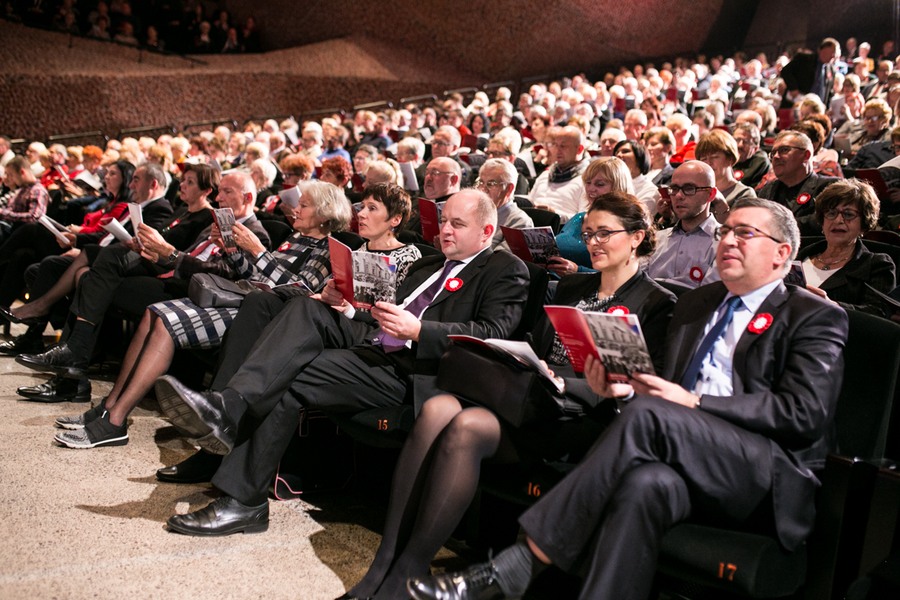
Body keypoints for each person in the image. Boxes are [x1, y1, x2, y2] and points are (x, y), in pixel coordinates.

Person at [408, 198, 849, 600]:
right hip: (678, 456)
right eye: (725, 231)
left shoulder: (814, 316)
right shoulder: (698, 303)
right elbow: (660, 391)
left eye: (746, 233)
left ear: (782, 253)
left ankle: (519, 562)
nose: (729, 239)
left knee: (653, 414)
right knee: (643, 486)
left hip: (762, 473)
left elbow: (803, 414)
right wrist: (619, 391)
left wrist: (693, 405)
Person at [343, 192, 675, 599]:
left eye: (605, 233)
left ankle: (403, 575)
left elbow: (643, 384)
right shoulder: (572, 286)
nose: (593, 242)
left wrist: (566, 381)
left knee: (465, 424)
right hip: (533, 397)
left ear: (637, 237)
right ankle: (388, 562)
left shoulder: (657, 302)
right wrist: (532, 364)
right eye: (588, 233)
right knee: (437, 408)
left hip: (586, 417)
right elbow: (535, 343)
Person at [153, 189, 530, 536]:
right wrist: (346, 307)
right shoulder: (426, 267)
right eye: (444, 220)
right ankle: (228, 409)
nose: (445, 230)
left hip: (415, 369)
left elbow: (492, 332)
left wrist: (420, 331)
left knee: (288, 374)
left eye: (457, 224)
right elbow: (380, 316)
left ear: (486, 231)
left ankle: (240, 492)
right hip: (373, 345)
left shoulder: (504, 269)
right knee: (305, 307)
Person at [52, 183, 409, 449]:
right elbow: (253, 277)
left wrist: (257, 250)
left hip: (259, 313)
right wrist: (236, 251)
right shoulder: (293, 240)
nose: (295, 211)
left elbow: (294, 291)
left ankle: (115, 421)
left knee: (167, 319)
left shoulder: (324, 248)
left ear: (325, 214)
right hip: (245, 299)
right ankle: (109, 408)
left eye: (304, 206)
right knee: (153, 312)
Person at [0, 160, 135, 351]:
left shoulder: (122, 206)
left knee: (32, 229)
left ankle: (32, 332)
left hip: (85, 250)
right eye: (108, 173)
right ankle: (29, 334)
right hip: (81, 244)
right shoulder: (109, 202)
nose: (106, 177)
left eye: (113, 174)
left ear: (125, 179)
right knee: (23, 255)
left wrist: (78, 235)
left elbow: (104, 236)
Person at [797, 179, 895, 317]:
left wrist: (831, 306)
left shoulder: (877, 265)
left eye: (848, 214)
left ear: (864, 223)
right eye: (831, 213)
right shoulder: (800, 253)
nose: (838, 220)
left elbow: (878, 312)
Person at [549, 157, 634, 277]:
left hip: (583, 288)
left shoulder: (623, 225)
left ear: (617, 187)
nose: (591, 189)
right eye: (588, 182)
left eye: (599, 184)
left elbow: (620, 275)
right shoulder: (579, 217)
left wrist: (577, 271)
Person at [648, 161, 721, 288]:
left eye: (689, 189)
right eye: (674, 189)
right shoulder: (657, 239)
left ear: (711, 194)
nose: (678, 195)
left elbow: (710, 298)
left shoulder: (724, 242)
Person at [757, 131, 838, 235]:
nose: (776, 157)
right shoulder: (768, 189)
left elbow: (821, 222)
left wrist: (774, 226)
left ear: (806, 155)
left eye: (784, 150)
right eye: (773, 154)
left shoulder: (830, 187)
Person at [529, 126, 589, 223]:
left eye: (563, 146)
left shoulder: (588, 181)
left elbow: (585, 219)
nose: (557, 150)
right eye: (555, 145)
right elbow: (530, 203)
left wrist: (554, 215)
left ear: (579, 149)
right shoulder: (545, 174)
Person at [695, 129, 757, 223]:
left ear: (730, 159)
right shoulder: (696, 192)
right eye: (704, 159)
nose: (708, 163)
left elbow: (741, 229)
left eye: (715, 157)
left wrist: (721, 204)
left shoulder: (744, 194)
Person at [474, 158, 533, 252]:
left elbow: (499, 261)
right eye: (481, 182)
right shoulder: (472, 212)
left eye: (491, 184)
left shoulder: (519, 222)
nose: (483, 189)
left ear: (509, 189)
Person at [0, 156, 50, 244]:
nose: (10, 178)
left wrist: (3, 213)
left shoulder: (37, 190)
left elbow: (34, 218)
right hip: (8, 227)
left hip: (17, 233)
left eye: (11, 175)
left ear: (22, 172)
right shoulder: (22, 189)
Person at [613, 139, 658, 214]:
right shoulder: (611, 183)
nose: (618, 155)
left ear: (639, 157)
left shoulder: (651, 191)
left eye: (625, 151)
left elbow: (635, 218)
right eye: (616, 152)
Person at [732, 121, 771, 189]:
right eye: (737, 140)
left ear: (755, 148)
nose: (740, 145)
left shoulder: (760, 162)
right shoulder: (724, 156)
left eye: (746, 142)